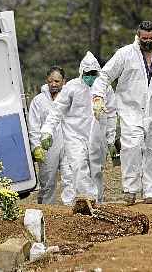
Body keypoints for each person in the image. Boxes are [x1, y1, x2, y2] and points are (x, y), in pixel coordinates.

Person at [91, 20, 152, 205]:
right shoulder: (125, 54)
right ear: (138, 36)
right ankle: (130, 189)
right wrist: (98, 96)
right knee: (132, 148)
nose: (148, 41)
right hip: (131, 110)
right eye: (144, 38)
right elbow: (105, 75)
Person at [40, 52, 116, 203]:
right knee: (79, 167)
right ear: (82, 72)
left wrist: (111, 139)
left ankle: (97, 202)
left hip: (97, 136)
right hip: (75, 136)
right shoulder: (71, 88)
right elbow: (57, 111)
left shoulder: (105, 88)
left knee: (96, 172)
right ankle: (90, 200)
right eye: (87, 74)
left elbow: (112, 113)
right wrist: (47, 131)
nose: (90, 77)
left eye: (93, 73)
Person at [28, 66, 74, 205]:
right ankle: (47, 211)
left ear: (64, 81)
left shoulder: (70, 98)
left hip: (68, 144)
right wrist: (36, 147)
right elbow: (34, 126)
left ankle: (69, 210)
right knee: (47, 183)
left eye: (57, 81)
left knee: (70, 179)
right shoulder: (39, 101)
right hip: (47, 147)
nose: (53, 84)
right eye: (50, 81)